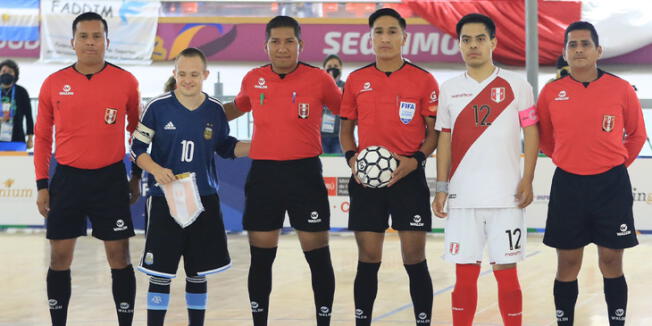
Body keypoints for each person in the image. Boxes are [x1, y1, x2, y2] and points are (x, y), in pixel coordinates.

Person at [222, 16, 342, 326]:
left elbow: (349, 112)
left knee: (317, 256)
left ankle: (324, 321)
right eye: (275, 41)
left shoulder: (320, 79)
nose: (283, 47)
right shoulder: (253, 78)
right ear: (265, 46)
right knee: (261, 259)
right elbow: (235, 108)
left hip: (305, 175)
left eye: (290, 41)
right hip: (264, 177)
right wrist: (194, 109)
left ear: (301, 45)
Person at [34, 12, 141, 326]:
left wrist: (136, 176)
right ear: (73, 42)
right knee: (59, 258)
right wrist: (42, 184)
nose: (91, 42)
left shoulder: (126, 81)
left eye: (97, 36)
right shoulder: (54, 83)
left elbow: (138, 133)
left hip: (110, 179)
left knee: (119, 258)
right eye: (84, 36)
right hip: (67, 179)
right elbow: (41, 137)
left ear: (107, 42)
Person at [431, 13, 539, 326]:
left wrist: (528, 179)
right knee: (464, 278)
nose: (473, 45)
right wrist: (441, 189)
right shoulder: (449, 89)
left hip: (507, 199)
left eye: (480, 38)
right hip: (462, 200)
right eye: (466, 40)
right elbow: (444, 139)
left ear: (493, 42)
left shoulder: (518, 86)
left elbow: (531, 132)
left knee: (508, 276)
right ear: (459, 45)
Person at [537, 21, 646, 326]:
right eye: (572, 44)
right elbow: (544, 136)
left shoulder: (621, 89)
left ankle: (617, 321)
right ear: (565, 52)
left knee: (611, 260)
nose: (579, 49)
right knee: (568, 262)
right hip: (568, 185)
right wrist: (562, 157)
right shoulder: (550, 92)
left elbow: (637, 135)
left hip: (611, 185)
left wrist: (615, 166)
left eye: (585, 44)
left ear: (598, 50)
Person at [131, 47, 250, 326]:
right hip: (165, 200)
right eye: (182, 73)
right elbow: (137, 148)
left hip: (203, 200)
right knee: (159, 273)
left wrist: (259, 145)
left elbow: (225, 146)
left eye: (194, 74)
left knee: (198, 272)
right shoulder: (157, 108)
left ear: (205, 75)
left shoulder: (215, 110)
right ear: (174, 74)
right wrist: (157, 170)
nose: (187, 79)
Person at [340, 8, 439, 325]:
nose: (385, 38)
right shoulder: (357, 80)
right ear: (370, 38)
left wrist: (417, 161)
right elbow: (345, 130)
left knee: (414, 257)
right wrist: (352, 158)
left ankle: (423, 320)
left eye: (392, 31)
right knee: (368, 258)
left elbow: (434, 132)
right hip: (367, 182)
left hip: (409, 180)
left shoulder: (423, 80)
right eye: (379, 32)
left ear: (404, 37)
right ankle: (362, 320)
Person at [0, 59, 34, 148]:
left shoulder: (21, 92)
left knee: (17, 162)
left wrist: (30, 138)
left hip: (17, 139)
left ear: (15, 75)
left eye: (10, 72)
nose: (6, 73)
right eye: (3, 71)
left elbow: (29, 116)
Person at [321, 54, 345, 154]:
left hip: (338, 136)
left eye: (336, 66)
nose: (332, 69)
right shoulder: (318, 86)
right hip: (320, 136)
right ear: (324, 69)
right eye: (329, 67)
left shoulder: (346, 86)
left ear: (341, 68)